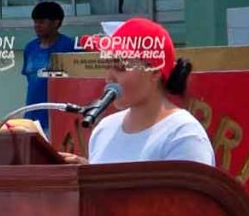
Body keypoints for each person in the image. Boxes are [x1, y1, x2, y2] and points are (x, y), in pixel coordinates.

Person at [59, 17, 215, 166]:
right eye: (107, 65)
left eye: (121, 67)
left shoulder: (183, 134)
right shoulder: (104, 130)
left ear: (155, 72)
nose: (109, 77)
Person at [21, 1, 76, 132]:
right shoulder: (30, 48)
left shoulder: (68, 47)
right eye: (35, 22)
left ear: (56, 23)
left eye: (42, 22)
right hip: (32, 117)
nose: (37, 26)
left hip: (58, 118)